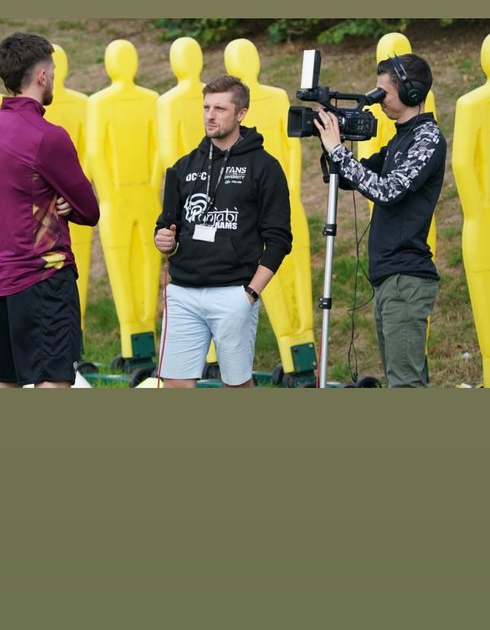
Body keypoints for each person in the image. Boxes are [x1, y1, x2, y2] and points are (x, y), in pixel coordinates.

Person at [314, 54, 447, 388]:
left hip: (407, 278)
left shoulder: (427, 139)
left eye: (382, 93)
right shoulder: (399, 139)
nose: (379, 101)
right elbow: (347, 177)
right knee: (400, 380)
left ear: (411, 93)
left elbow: (388, 190)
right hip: (389, 278)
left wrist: (338, 151)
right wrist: (332, 138)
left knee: (405, 384)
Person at [0, 32, 100, 388]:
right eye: (54, 70)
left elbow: (16, 194)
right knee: (52, 382)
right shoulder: (48, 136)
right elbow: (89, 210)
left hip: (0, 280)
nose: (55, 78)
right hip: (43, 279)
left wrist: (52, 198)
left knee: (3, 380)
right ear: (42, 76)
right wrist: (65, 203)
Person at [154, 74, 292, 388]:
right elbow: (166, 227)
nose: (210, 115)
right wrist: (162, 239)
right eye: (206, 107)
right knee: (174, 384)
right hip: (183, 292)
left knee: (236, 386)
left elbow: (279, 239)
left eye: (220, 108)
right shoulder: (183, 166)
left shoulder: (264, 167)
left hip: (234, 293)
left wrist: (251, 293)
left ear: (241, 113)